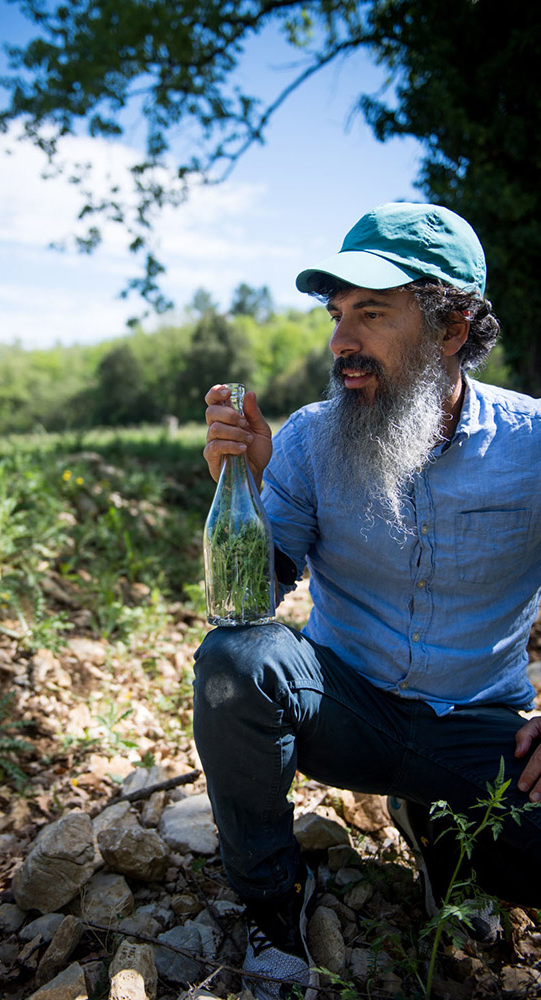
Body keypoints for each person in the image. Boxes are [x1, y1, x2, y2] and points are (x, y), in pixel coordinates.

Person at [193, 202, 541, 999]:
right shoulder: (312, 438)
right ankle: (273, 911)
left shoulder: (529, 444)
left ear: (451, 330)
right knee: (232, 663)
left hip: (477, 729)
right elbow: (249, 600)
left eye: (371, 314)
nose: (339, 342)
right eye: (336, 314)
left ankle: (441, 836)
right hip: (342, 707)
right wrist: (239, 485)